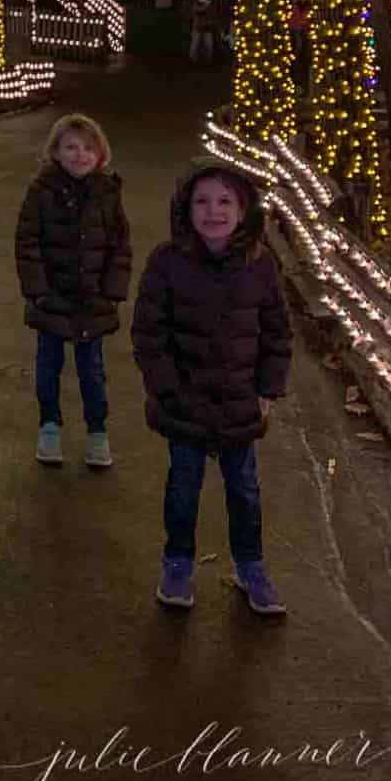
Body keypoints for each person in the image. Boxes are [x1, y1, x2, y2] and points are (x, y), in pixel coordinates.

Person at [132, 162, 292, 616]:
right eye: (202, 201)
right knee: (183, 486)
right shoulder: (168, 262)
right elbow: (149, 332)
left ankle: (251, 565)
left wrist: (268, 388)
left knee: (244, 489)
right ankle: (178, 561)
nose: (213, 211)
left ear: (244, 211)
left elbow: (277, 333)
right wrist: (165, 387)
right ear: (186, 210)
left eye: (225, 201)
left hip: (241, 402)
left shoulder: (260, 265)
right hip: (185, 400)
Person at [16, 113, 131, 469]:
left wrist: (111, 293)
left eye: (87, 148)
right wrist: (38, 292)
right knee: (48, 364)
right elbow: (28, 242)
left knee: (92, 370)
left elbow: (119, 247)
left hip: (92, 300)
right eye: (70, 147)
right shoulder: (42, 192)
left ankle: (97, 430)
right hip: (53, 298)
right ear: (56, 152)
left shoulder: (108, 194)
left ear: (100, 154)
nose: (79, 154)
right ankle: (49, 424)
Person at [289, 0, 312, 91]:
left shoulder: (305, 9)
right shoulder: (295, 8)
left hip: (302, 32)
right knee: (297, 53)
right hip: (296, 31)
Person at [189, 0, 218, 65]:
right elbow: (197, 11)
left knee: (209, 46)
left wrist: (210, 23)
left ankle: (208, 61)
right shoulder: (196, 6)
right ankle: (194, 61)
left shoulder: (209, 7)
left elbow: (213, 17)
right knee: (194, 47)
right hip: (197, 29)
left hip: (207, 29)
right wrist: (206, 6)